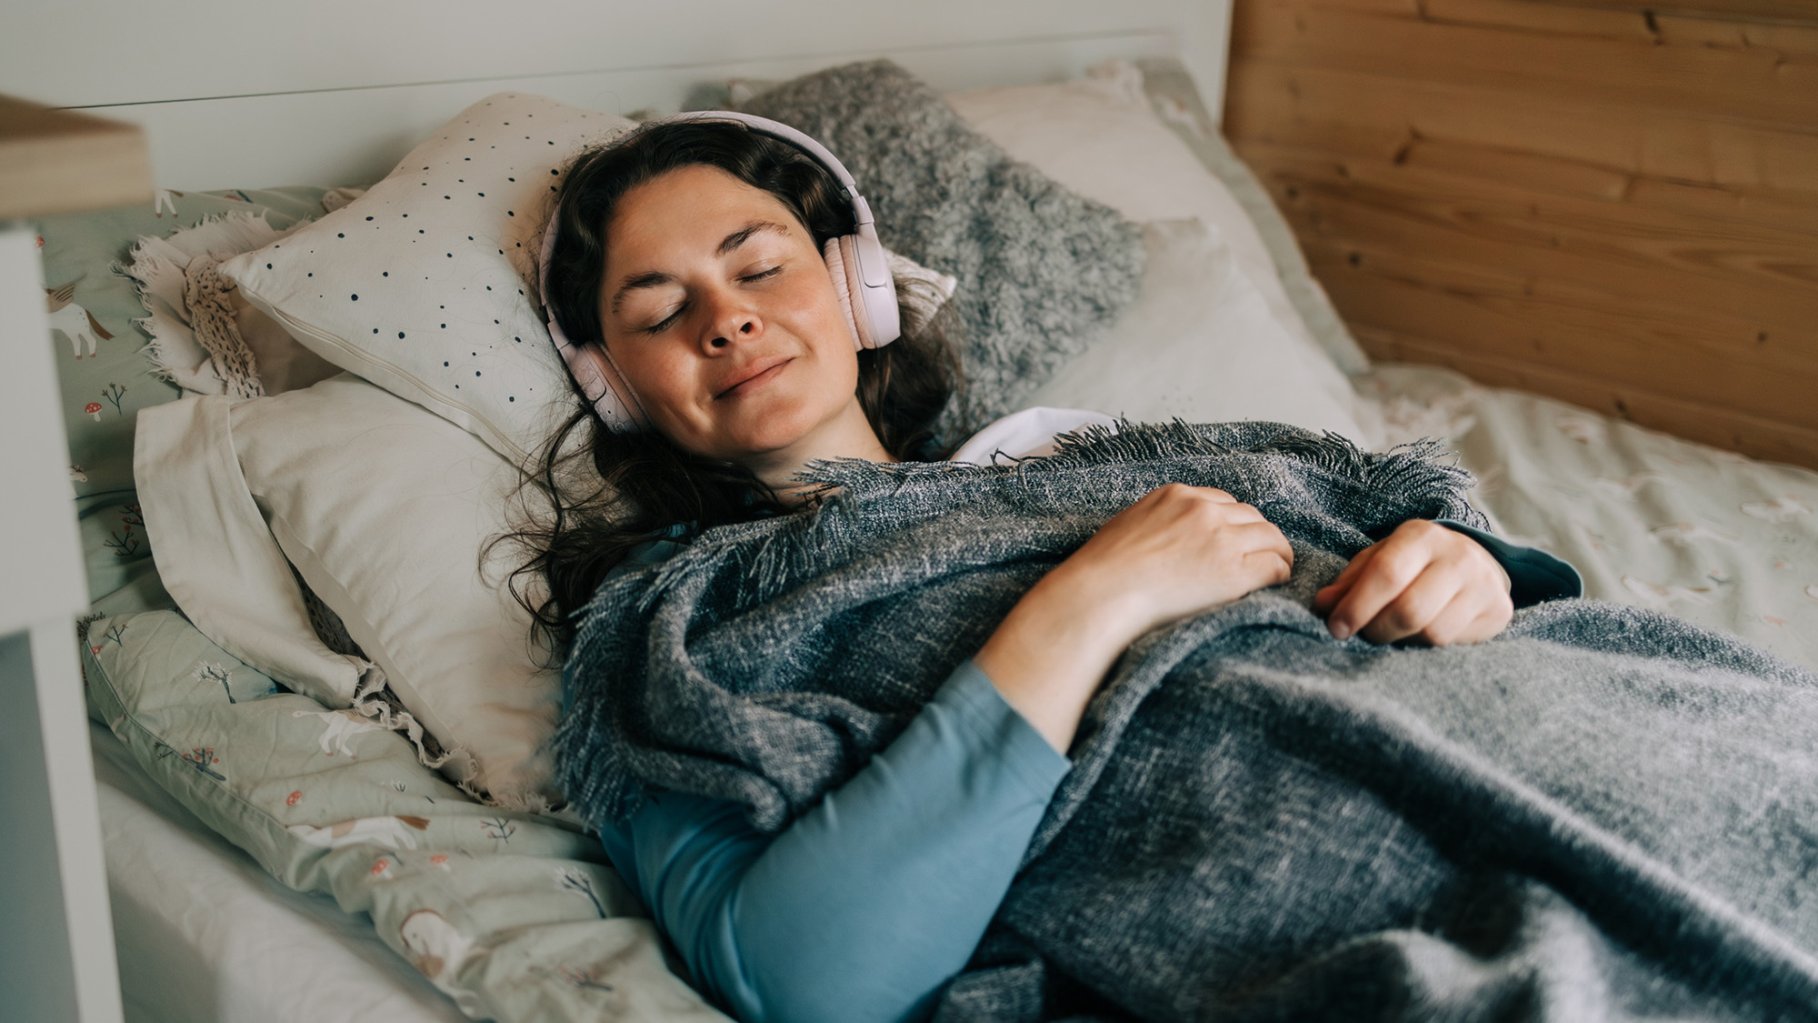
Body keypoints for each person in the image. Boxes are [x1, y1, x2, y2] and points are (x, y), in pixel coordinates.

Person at [512, 114, 1581, 1023]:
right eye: (660, 312)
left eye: (759, 267)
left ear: (856, 284)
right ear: (615, 387)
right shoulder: (665, 628)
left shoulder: (1064, 454)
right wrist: (1092, 601)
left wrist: (1464, 564)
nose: (727, 318)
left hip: (1503, 740)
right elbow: (803, 980)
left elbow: (1361, 516)